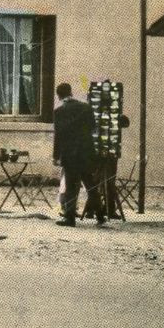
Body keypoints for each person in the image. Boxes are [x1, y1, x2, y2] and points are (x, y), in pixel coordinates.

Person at [52, 83, 98, 227]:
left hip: (70, 154)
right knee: (90, 184)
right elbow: (93, 128)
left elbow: (58, 136)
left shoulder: (59, 112)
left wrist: (56, 155)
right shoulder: (86, 108)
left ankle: (69, 218)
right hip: (86, 152)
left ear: (58, 95)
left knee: (71, 186)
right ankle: (101, 214)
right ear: (71, 92)